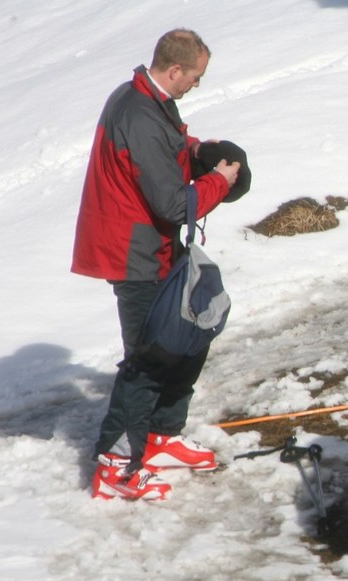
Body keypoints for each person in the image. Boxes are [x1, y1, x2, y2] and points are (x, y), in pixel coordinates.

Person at [73, 28, 242, 501]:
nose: (196, 85)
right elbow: (171, 203)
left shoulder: (149, 98)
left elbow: (168, 154)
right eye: (195, 77)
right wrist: (219, 182)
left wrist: (201, 155)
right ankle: (115, 467)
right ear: (174, 70)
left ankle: (163, 437)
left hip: (158, 248)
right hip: (134, 255)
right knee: (148, 360)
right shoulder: (139, 112)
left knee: (187, 336)